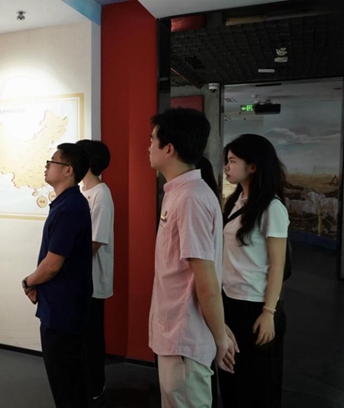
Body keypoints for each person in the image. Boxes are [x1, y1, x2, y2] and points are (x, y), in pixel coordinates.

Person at [148, 107, 236, 408]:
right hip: (177, 330)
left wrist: (220, 337)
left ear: (169, 149)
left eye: (152, 140)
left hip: (184, 335)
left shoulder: (190, 198)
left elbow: (206, 279)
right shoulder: (181, 192)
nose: (149, 147)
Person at [219, 134, 289, 407]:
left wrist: (269, 312)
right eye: (227, 161)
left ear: (253, 166)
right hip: (230, 302)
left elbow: (278, 265)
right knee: (232, 379)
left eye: (233, 161)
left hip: (256, 306)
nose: (227, 167)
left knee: (258, 385)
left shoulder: (272, 208)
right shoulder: (236, 202)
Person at [22, 143, 93, 408]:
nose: (47, 166)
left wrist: (28, 281)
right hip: (63, 305)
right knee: (69, 378)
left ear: (68, 170)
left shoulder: (70, 207)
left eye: (52, 161)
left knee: (66, 381)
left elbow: (52, 264)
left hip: (63, 310)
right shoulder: (68, 203)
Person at [76, 139, 115, 402]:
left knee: (91, 336)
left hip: (91, 279)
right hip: (80, 278)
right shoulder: (82, 191)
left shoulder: (101, 194)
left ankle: (95, 385)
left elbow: (95, 242)